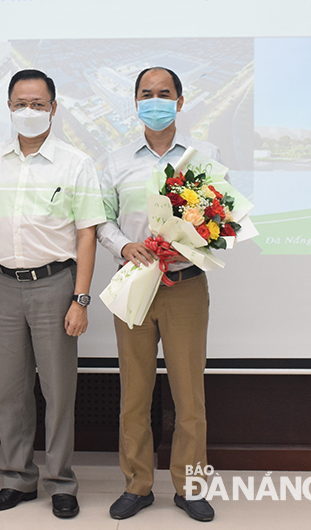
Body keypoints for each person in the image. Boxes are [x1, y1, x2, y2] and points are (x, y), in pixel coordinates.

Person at [0, 69, 107, 519]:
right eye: (19, 103)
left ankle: (60, 481)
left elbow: (87, 235)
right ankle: (17, 478)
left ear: (53, 107)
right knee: (10, 391)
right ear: (8, 107)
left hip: (56, 286)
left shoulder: (75, 163)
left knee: (58, 391)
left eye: (37, 103)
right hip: (4, 285)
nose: (27, 111)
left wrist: (81, 299)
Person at [98, 67, 219, 522]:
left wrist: (190, 240)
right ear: (135, 103)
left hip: (185, 286)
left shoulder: (205, 155)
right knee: (135, 391)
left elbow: (215, 216)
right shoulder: (114, 160)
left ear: (180, 102)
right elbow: (102, 218)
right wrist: (122, 245)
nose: (155, 100)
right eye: (146, 94)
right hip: (134, 284)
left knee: (189, 394)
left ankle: (190, 488)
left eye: (164, 94)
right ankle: (138, 485)